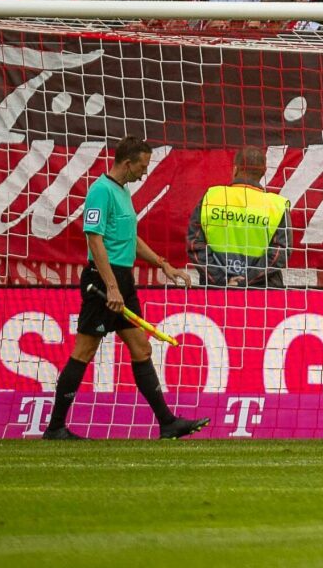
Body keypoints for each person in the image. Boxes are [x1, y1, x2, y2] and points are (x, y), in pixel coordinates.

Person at [39, 137, 208, 439]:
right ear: (127, 163)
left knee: (141, 348)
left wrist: (163, 264)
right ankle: (55, 427)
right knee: (85, 350)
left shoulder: (122, 191)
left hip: (121, 282)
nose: (144, 173)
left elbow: (129, 238)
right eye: (142, 166)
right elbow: (94, 240)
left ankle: (167, 423)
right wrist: (112, 287)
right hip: (104, 283)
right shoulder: (100, 191)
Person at [187, 144, 289, 286]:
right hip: (263, 293)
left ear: (235, 169)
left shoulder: (211, 197)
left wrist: (221, 279)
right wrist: (247, 281)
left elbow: (194, 245)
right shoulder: (276, 206)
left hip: (216, 291)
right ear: (264, 172)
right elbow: (279, 254)